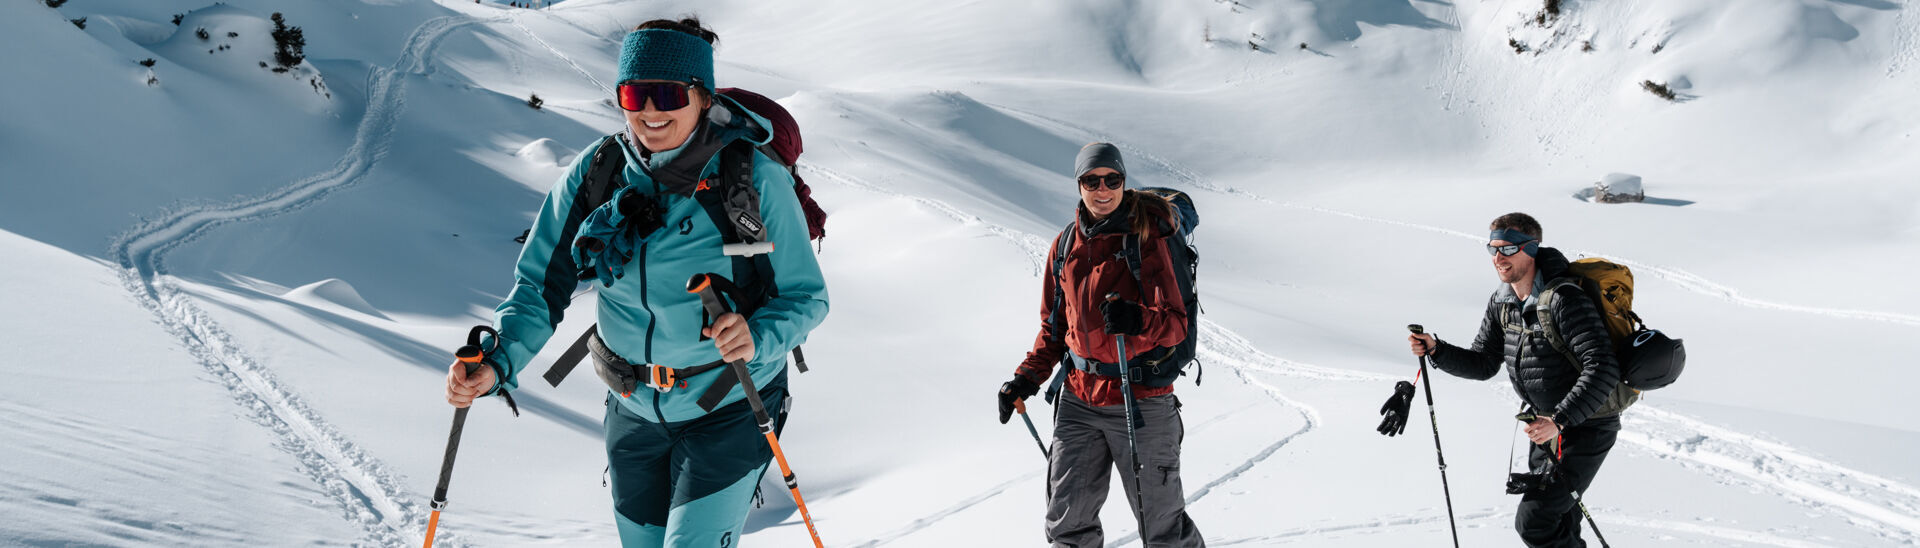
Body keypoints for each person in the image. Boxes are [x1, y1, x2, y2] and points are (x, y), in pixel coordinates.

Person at [443, 17, 828, 547]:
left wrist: (757, 337)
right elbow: (541, 285)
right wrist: (497, 363)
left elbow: (807, 297)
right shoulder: (597, 173)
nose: (648, 111)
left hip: (731, 405)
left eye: (666, 93)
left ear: (702, 95)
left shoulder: (751, 180)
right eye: (633, 93)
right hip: (631, 408)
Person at [997, 143, 1204, 547]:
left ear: (1124, 182)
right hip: (1078, 401)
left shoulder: (1148, 237)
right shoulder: (1065, 245)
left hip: (1142, 398)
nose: (1103, 188)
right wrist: (1026, 379)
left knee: (1162, 528)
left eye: (1113, 179)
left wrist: (1138, 320)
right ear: (1078, 184)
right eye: (1092, 180)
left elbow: (1177, 324)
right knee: (1067, 523)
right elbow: (1056, 328)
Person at [1408, 212, 1621, 548]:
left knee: (1535, 521)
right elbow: (1484, 363)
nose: (1497, 258)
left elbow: (1603, 367)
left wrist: (1559, 420)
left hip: (1587, 426)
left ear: (1531, 249)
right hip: (1545, 427)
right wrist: (1437, 350)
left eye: (1507, 249)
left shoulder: (1564, 300)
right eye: (1492, 249)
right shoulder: (1503, 302)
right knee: (1562, 520)